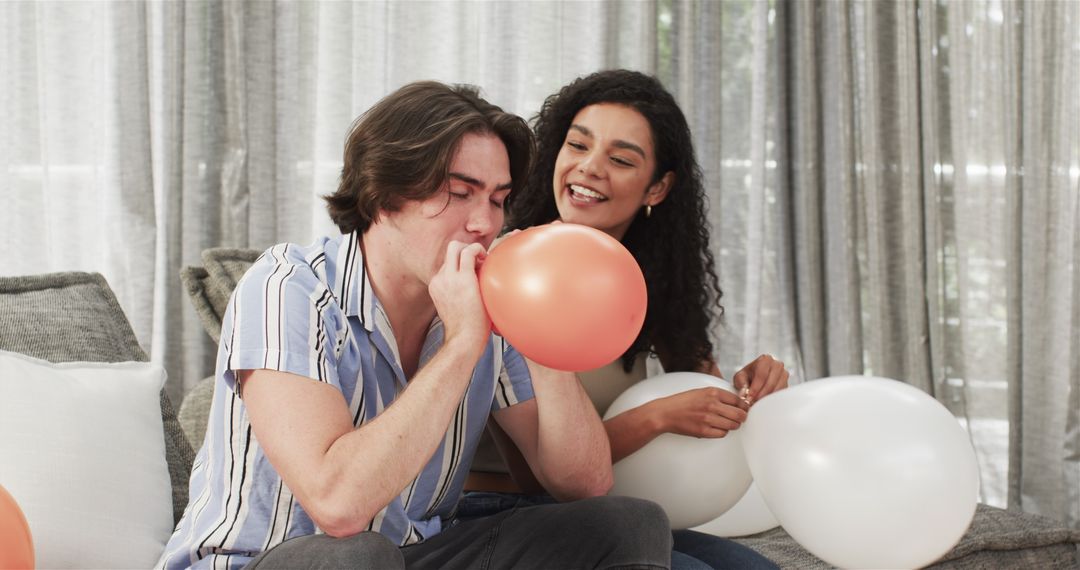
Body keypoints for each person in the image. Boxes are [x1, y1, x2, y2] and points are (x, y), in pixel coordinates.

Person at [156, 80, 674, 570]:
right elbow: (338, 506)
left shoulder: (492, 294)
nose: (484, 223)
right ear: (384, 194)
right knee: (359, 555)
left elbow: (584, 484)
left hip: (411, 555)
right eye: (460, 193)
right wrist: (462, 343)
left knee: (627, 524)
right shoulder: (289, 287)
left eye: (497, 200)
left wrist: (541, 328)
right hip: (263, 559)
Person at [461, 69, 789, 569]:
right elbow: (535, 476)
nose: (590, 167)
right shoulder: (509, 269)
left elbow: (704, 398)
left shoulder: (646, 281)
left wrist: (750, 391)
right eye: (577, 145)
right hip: (496, 510)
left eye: (620, 159)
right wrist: (657, 417)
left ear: (657, 188)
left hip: (607, 512)